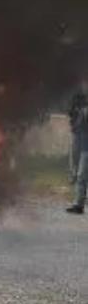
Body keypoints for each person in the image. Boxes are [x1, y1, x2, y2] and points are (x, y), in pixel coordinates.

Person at [68, 79, 88, 214]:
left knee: (82, 174)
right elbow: (71, 116)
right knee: (75, 172)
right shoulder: (77, 99)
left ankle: (78, 205)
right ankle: (78, 203)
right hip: (78, 139)